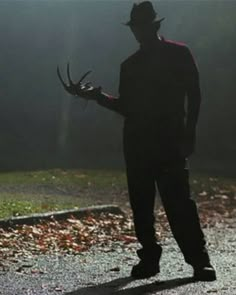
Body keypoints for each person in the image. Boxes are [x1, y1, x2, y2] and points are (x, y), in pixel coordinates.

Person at [57, 1, 216, 281]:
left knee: (180, 204)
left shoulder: (179, 54)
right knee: (141, 206)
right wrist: (98, 97)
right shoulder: (129, 66)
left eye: (141, 27)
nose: (138, 33)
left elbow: (196, 94)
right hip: (137, 145)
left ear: (154, 26)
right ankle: (150, 259)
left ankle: (199, 261)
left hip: (170, 144)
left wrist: (189, 133)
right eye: (135, 28)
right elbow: (127, 107)